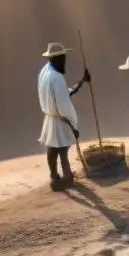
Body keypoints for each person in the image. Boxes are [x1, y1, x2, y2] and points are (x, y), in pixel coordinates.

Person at [37, 42, 90, 191]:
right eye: (63, 58)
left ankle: (54, 177)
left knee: (52, 149)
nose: (64, 61)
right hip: (59, 119)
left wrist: (81, 83)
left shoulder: (44, 71)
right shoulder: (57, 77)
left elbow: (62, 94)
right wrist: (72, 126)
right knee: (62, 149)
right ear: (57, 58)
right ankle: (67, 178)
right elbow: (63, 104)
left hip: (50, 116)